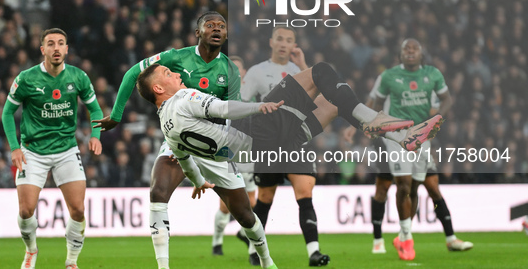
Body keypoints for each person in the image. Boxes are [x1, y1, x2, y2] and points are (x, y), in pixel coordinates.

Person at [136, 61, 444, 267]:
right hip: (259, 128)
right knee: (320, 71)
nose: (175, 74)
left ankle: (398, 134)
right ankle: (377, 122)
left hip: (261, 151)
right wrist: (259, 105)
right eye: (166, 74)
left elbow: (186, 161)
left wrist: (198, 182)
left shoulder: (167, 127)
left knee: (331, 104)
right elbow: (222, 107)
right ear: (159, 90)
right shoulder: (183, 98)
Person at [93, 11, 244, 269]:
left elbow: (234, 112)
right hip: (178, 138)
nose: (217, 29)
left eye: (222, 26)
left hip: (214, 145)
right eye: (210, 25)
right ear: (198, 32)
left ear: (227, 34)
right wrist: (117, 115)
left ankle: (266, 260)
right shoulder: (176, 57)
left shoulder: (229, 69)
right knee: (157, 192)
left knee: (246, 216)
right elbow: (133, 73)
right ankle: (163, 267)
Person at [2, 28, 103, 269]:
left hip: (67, 150)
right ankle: (31, 250)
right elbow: (7, 113)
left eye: (61, 44)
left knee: (78, 209)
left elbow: (96, 110)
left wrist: (95, 135)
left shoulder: (78, 77)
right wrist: (15, 148)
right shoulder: (26, 78)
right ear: (43, 50)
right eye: (50, 44)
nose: (56, 48)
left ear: (67, 49)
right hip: (32, 151)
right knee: (26, 210)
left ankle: (71, 261)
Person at [369, 38, 471, 261]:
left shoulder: (433, 75)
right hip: (396, 137)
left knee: (415, 188)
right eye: (406, 48)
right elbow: (376, 103)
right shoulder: (388, 76)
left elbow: (447, 99)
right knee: (402, 184)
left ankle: (404, 235)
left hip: (423, 137)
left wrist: (435, 121)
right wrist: (374, 126)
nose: (411, 51)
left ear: (422, 54)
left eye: (415, 49)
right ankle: (406, 238)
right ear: (400, 54)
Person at [241, 27, 329, 267]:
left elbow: (320, 97)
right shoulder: (257, 72)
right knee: (265, 198)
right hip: (267, 143)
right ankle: (253, 248)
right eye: (279, 39)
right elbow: (241, 103)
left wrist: (303, 65)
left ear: (294, 45)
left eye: (289, 40)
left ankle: (314, 252)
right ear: (271, 42)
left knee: (305, 193)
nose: (283, 44)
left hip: (294, 142)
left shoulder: (298, 71)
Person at [211, 55, 256, 256]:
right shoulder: (220, 96)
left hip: (249, 155)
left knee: (253, 204)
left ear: (244, 73)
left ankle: (246, 238)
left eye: (239, 69)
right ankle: (217, 242)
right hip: (227, 154)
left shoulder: (253, 97)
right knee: (226, 205)